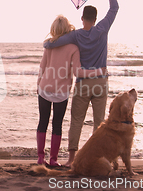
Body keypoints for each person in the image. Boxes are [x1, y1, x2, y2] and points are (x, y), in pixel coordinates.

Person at [43, 0, 118, 167]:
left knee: (76, 120)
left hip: (83, 83)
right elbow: (115, 8)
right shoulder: (102, 29)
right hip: (100, 82)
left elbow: (54, 42)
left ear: (82, 17)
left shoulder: (76, 35)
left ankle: (71, 159)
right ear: (96, 18)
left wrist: (46, 45)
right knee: (100, 123)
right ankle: (98, 157)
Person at [37, 15, 107, 166]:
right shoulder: (74, 49)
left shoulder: (50, 45)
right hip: (61, 92)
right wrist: (99, 71)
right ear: (68, 30)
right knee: (57, 125)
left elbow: (42, 67)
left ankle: (40, 158)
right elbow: (79, 73)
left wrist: (38, 84)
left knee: (42, 122)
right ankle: (53, 160)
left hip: (44, 89)